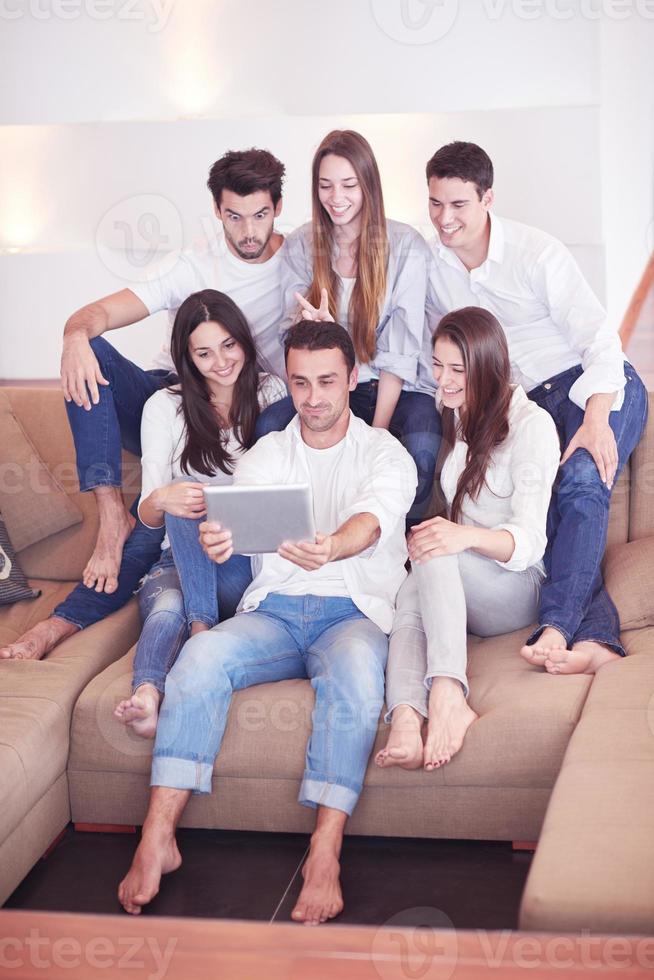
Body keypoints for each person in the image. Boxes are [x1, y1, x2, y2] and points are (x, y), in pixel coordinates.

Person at [117, 321, 417, 923]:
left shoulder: (386, 453)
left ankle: (324, 851)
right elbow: (240, 526)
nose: (313, 398)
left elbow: (373, 520)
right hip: (275, 611)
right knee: (199, 657)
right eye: (301, 382)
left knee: (357, 678)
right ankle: (157, 837)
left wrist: (331, 546)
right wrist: (219, 540)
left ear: (352, 379)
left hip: (352, 612)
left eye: (328, 381)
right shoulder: (269, 452)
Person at [0, 148, 287, 662]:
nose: (247, 230)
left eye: (259, 214)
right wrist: (72, 337)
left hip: (252, 403)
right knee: (95, 350)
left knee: (170, 514)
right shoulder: (193, 264)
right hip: (175, 396)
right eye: (234, 216)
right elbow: (97, 314)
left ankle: (67, 620)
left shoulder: (303, 263)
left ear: (278, 207)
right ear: (217, 211)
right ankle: (111, 513)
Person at [425, 141, 648, 676]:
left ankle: (557, 628)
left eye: (458, 205)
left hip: (594, 383)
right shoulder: (434, 267)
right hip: (532, 404)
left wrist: (595, 421)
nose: (445, 218)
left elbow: (601, 344)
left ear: (488, 199)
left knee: (580, 479)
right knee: (543, 516)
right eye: (435, 203)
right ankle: (595, 638)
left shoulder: (535, 253)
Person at [376, 307, 560, 770]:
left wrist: (462, 536)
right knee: (412, 583)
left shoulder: (532, 427)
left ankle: (447, 693)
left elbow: (529, 544)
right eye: (438, 365)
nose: (444, 381)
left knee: (438, 548)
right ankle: (403, 715)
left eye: (458, 369)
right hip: (466, 582)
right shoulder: (458, 410)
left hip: (516, 584)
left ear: (489, 367)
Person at [113, 289, 286, 737]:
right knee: (168, 598)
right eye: (204, 353)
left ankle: (201, 626)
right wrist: (163, 498)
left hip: (247, 563)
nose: (221, 361)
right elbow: (150, 511)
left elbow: (286, 491)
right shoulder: (164, 408)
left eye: (229, 345)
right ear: (187, 358)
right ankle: (148, 694)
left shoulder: (273, 394)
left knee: (196, 506)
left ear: (245, 341)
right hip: (179, 560)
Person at [256, 129, 439, 523]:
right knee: (270, 425)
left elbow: (401, 354)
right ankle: (299, 542)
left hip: (398, 388)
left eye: (348, 185)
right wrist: (317, 335)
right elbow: (292, 337)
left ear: (368, 185)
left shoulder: (407, 247)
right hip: (333, 381)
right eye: (325, 186)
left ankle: (402, 546)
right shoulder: (302, 246)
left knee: (422, 447)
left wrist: (375, 435)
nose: (336, 198)